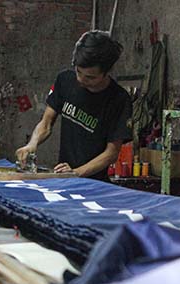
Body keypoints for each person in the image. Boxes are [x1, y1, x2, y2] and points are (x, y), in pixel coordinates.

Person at [16, 30, 132, 180]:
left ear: (107, 71)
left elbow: (111, 153)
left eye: (90, 77)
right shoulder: (65, 80)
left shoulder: (119, 99)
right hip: (64, 178)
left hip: (94, 183)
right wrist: (32, 145)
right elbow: (46, 123)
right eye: (78, 71)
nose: (81, 80)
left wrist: (76, 172)